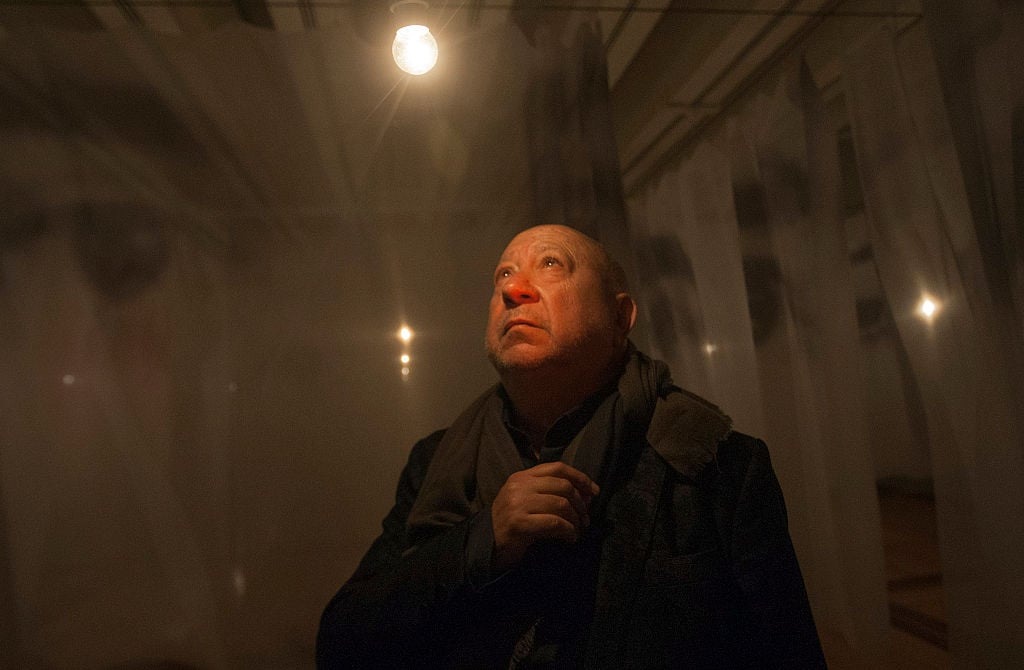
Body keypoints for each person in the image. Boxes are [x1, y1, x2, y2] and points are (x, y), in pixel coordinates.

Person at [316, 224, 825, 669]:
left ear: (620, 316)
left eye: (551, 265)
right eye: (503, 276)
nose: (515, 289)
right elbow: (344, 645)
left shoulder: (714, 461)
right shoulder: (435, 460)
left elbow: (786, 653)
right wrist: (483, 541)